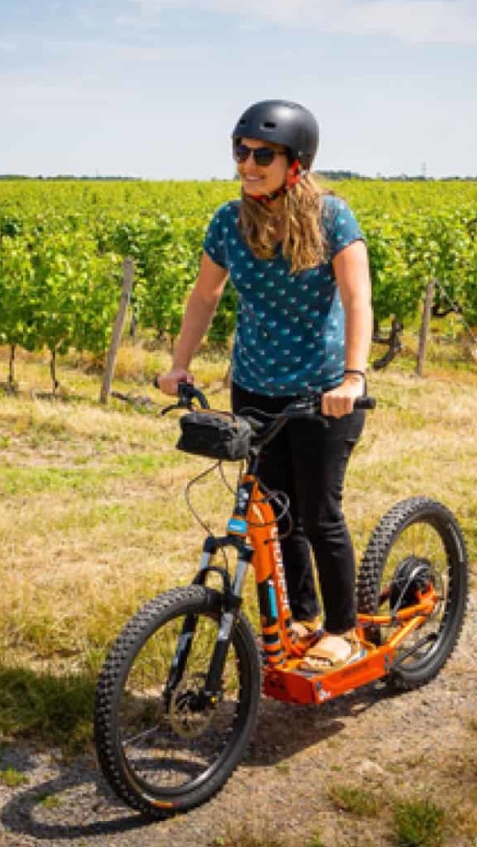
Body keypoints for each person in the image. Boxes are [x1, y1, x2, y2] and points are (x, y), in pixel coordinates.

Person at [157, 99, 372, 671]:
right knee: (271, 515)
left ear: (295, 162)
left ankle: (344, 630)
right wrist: (179, 364)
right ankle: (299, 616)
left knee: (318, 514)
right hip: (253, 387)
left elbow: (357, 298)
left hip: (324, 389)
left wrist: (353, 376)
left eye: (263, 155)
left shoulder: (332, 218)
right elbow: (206, 295)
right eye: (240, 151)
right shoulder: (229, 221)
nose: (248, 164)